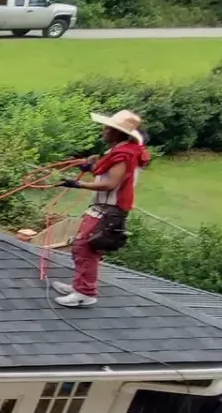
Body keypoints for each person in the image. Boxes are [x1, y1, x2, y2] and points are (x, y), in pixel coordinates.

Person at [52, 109, 149, 309]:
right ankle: (80, 287)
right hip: (103, 207)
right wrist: (90, 167)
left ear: (119, 133)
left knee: (85, 248)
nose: (104, 130)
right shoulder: (117, 152)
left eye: (109, 128)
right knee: (83, 247)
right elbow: (103, 173)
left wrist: (78, 185)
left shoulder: (124, 155)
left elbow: (110, 184)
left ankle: (85, 293)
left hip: (109, 209)